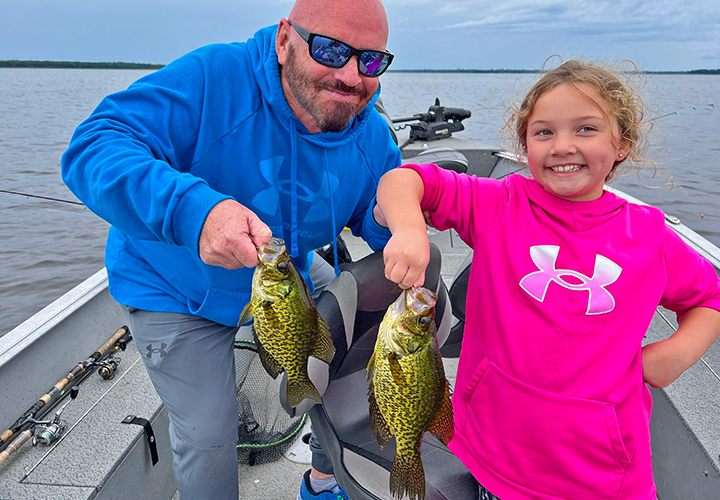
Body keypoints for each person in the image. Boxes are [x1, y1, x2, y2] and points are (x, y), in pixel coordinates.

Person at [61, 1, 399, 499]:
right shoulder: (213, 79)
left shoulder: (368, 132)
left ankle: (325, 478)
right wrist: (194, 213)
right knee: (209, 436)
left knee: (357, 352)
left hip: (283, 279)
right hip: (175, 288)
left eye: (371, 61)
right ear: (286, 40)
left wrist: (395, 219)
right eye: (331, 50)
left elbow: (373, 213)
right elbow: (93, 145)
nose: (351, 76)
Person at [374, 59, 720, 500]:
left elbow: (708, 297)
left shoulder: (651, 237)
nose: (562, 146)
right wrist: (408, 229)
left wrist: (676, 354)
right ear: (524, 144)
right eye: (543, 132)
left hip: (605, 475)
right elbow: (406, 179)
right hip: (496, 457)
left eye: (586, 129)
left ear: (622, 144)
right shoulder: (499, 204)